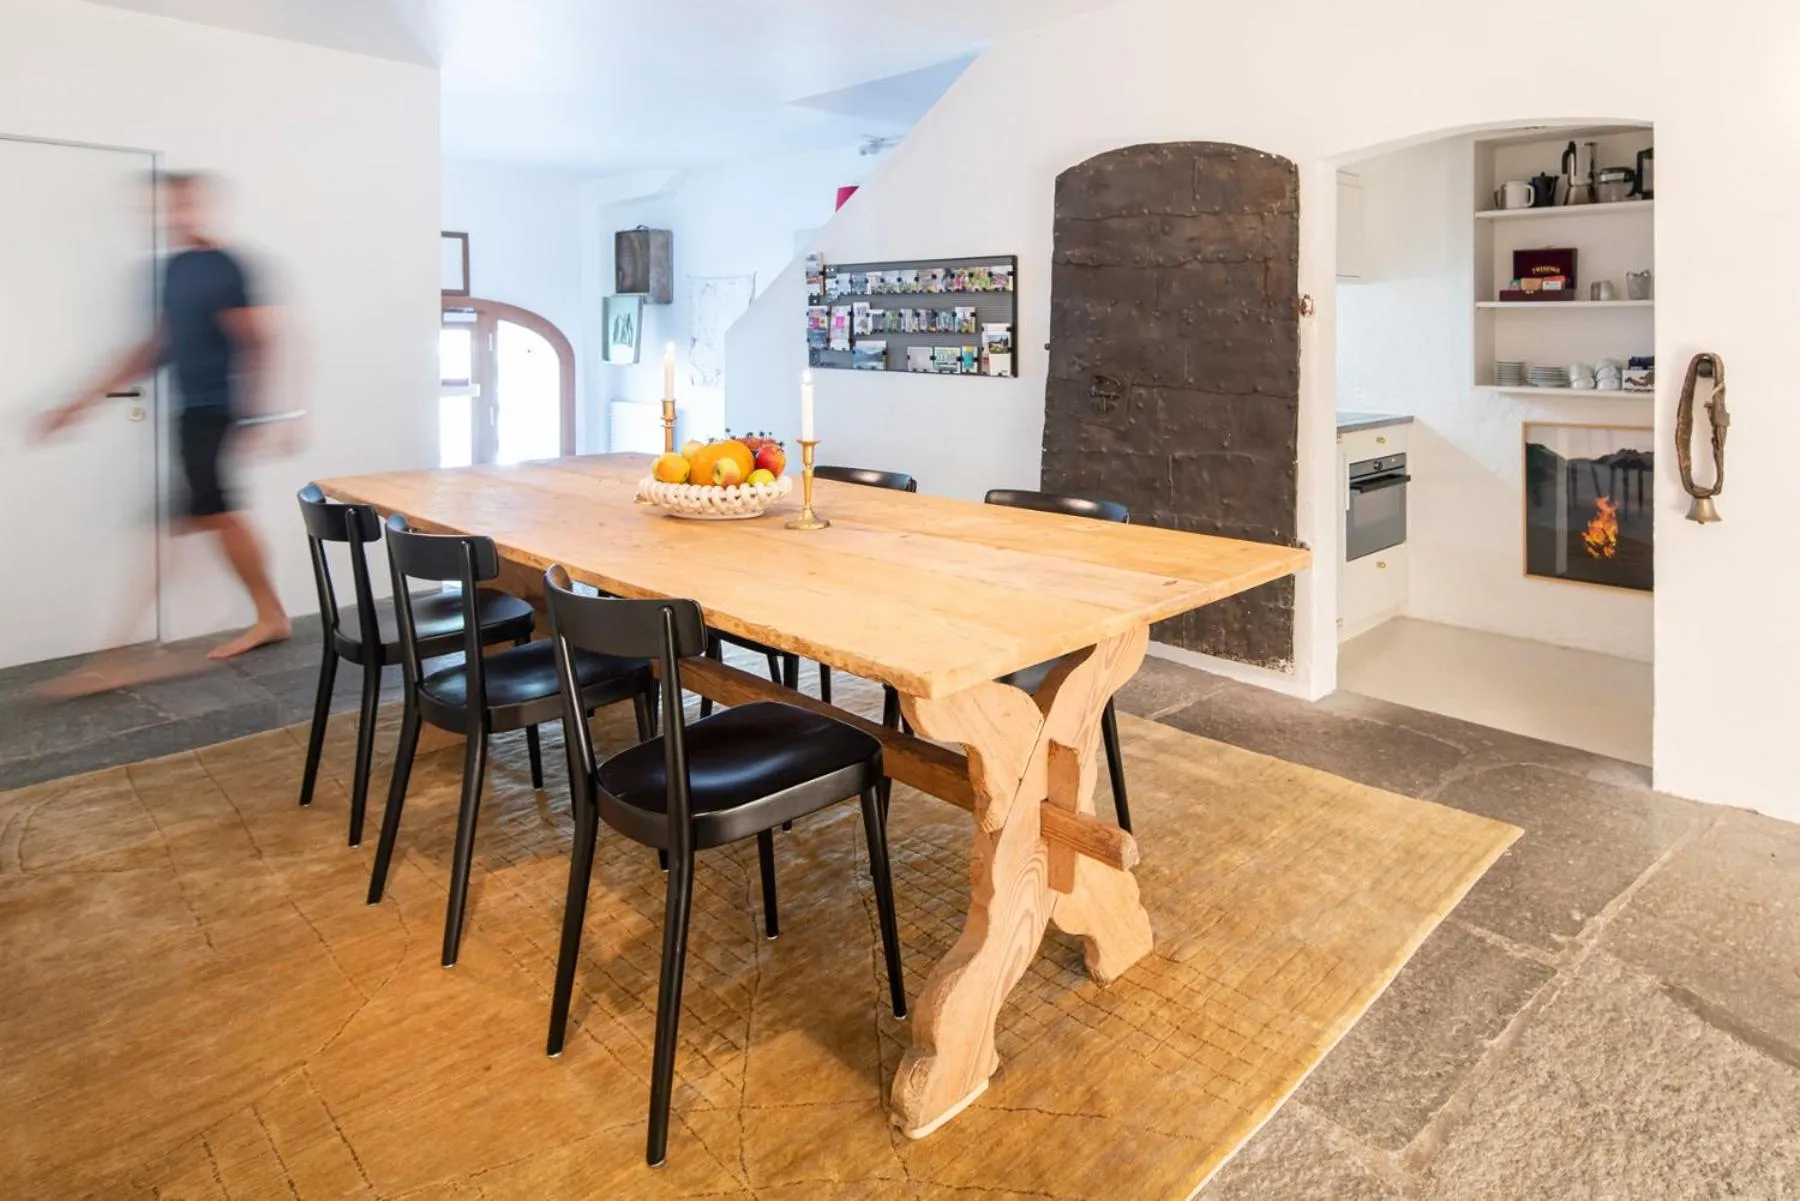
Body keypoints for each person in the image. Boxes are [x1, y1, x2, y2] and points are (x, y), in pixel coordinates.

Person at [36, 171, 290, 672]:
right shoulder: (170, 273)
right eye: (162, 207)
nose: (171, 215)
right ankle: (123, 653)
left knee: (209, 515)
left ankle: (117, 656)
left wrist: (261, 415)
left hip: (215, 411)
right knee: (184, 522)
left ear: (201, 207)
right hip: (188, 410)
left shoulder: (226, 266)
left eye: (182, 205)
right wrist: (80, 402)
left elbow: (257, 338)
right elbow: (154, 347)